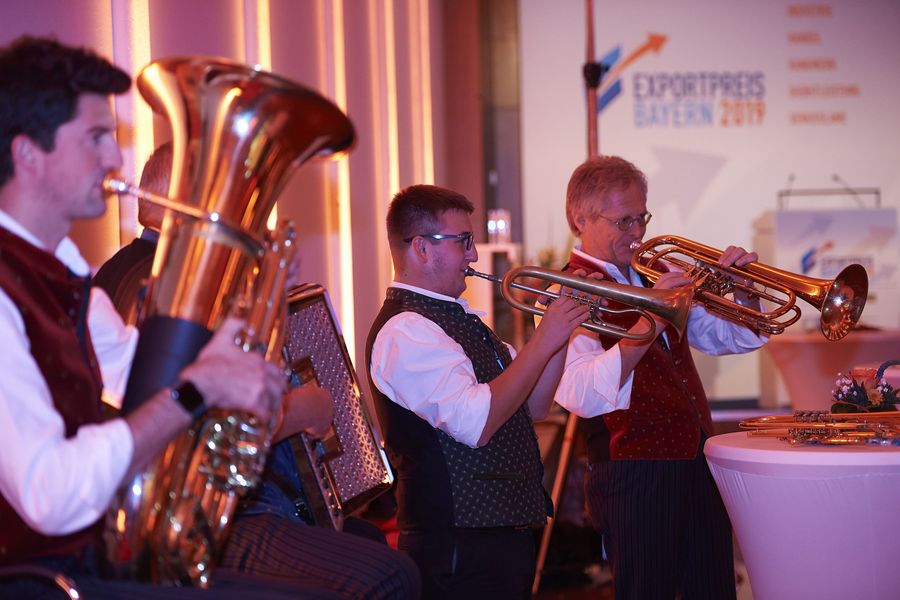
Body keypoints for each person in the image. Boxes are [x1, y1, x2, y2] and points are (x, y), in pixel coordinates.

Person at [0, 35, 406, 600]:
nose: (115, 160)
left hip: (99, 559)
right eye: (95, 138)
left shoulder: (73, 286)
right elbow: (51, 493)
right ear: (27, 152)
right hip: (42, 579)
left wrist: (242, 339)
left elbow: (146, 389)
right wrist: (198, 388)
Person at [93, 142, 421, 599]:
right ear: (193, 198)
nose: (248, 215)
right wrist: (304, 408)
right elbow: (197, 432)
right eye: (237, 198)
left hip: (207, 507)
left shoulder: (117, 273)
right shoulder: (175, 286)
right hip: (215, 518)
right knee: (391, 573)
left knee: (367, 540)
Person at [552, 155, 768, 599]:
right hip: (633, 471)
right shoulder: (569, 291)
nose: (637, 232)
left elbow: (729, 338)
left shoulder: (656, 274)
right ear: (580, 220)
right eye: (624, 221)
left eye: (642, 217)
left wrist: (744, 292)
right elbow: (581, 393)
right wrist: (653, 314)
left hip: (696, 458)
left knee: (713, 590)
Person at [365, 184, 589, 599]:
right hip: (457, 549)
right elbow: (477, 423)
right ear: (422, 248)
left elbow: (535, 406)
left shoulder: (457, 319)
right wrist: (545, 339)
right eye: (463, 241)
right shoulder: (406, 330)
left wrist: (560, 332)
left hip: (496, 542)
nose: (473, 255)